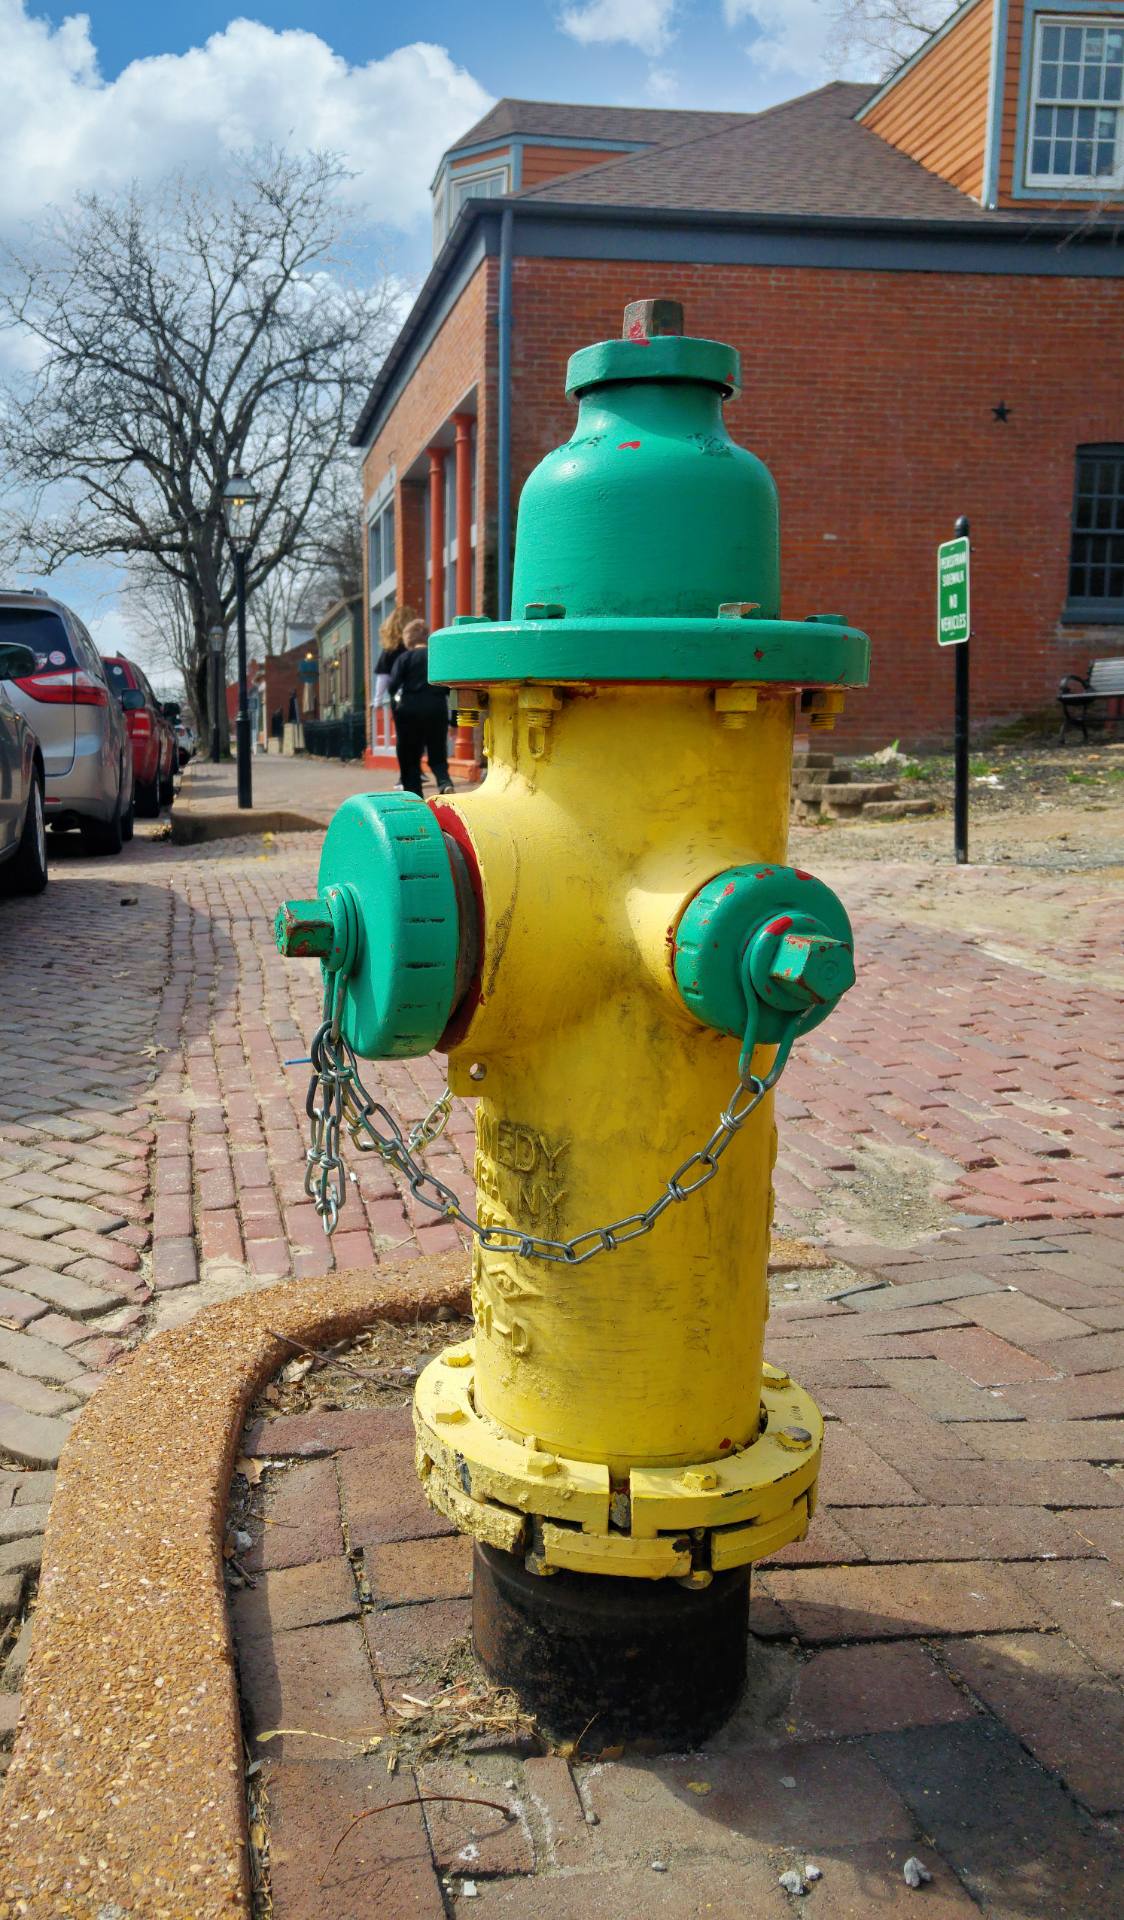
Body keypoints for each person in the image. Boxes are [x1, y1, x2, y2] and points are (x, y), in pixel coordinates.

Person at [388, 619, 454, 797]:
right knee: (437, 752)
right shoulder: (437, 657)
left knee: (409, 757)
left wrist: (396, 711)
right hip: (436, 708)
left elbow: (392, 686)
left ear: (408, 639)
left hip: (409, 712)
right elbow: (452, 688)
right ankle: (443, 781)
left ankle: (414, 796)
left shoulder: (404, 659)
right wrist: (455, 720)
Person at [374, 605, 417, 710]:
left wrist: (378, 701)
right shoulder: (418, 649)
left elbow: (383, 677)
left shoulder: (389, 651)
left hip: (401, 699)